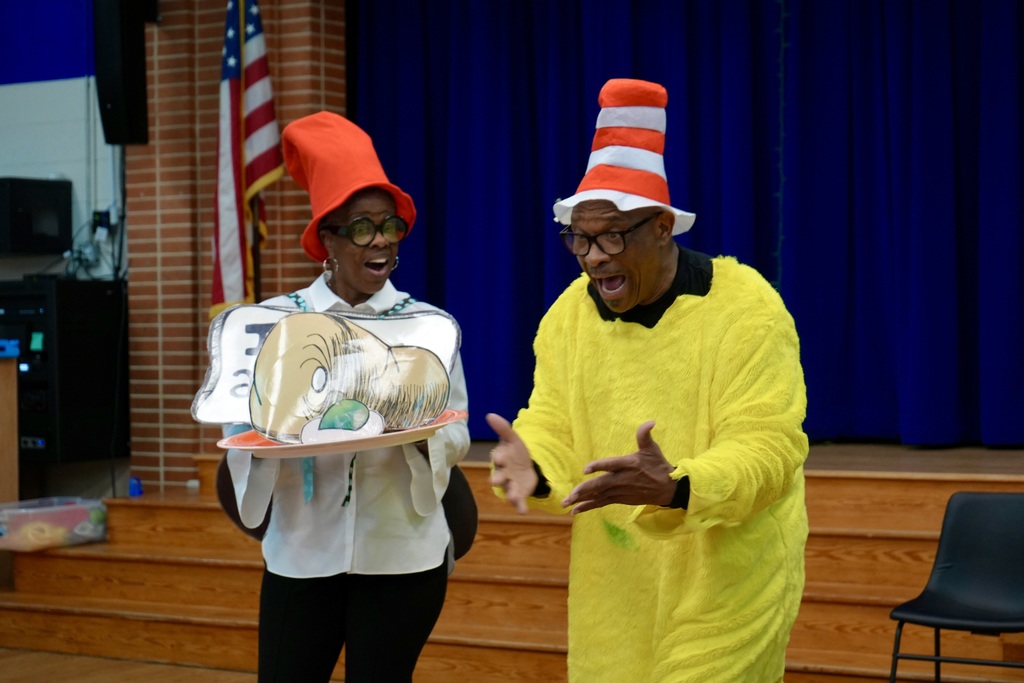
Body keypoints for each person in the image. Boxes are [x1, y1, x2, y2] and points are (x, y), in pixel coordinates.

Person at [487, 78, 809, 682]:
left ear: (662, 227)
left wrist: (681, 486)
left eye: (611, 235)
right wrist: (534, 459)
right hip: (617, 584)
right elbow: (555, 419)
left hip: (728, 579)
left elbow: (771, 446)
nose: (593, 256)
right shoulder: (568, 316)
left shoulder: (746, 307)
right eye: (579, 239)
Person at [223, 111, 471, 682]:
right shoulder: (272, 325)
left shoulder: (429, 326)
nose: (380, 240)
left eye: (390, 225)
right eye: (361, 227)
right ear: (326, 240)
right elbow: (243, 428)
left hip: (403, 556)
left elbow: (455, 434)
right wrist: (275, 429)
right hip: (300, 555)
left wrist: (408, 427)